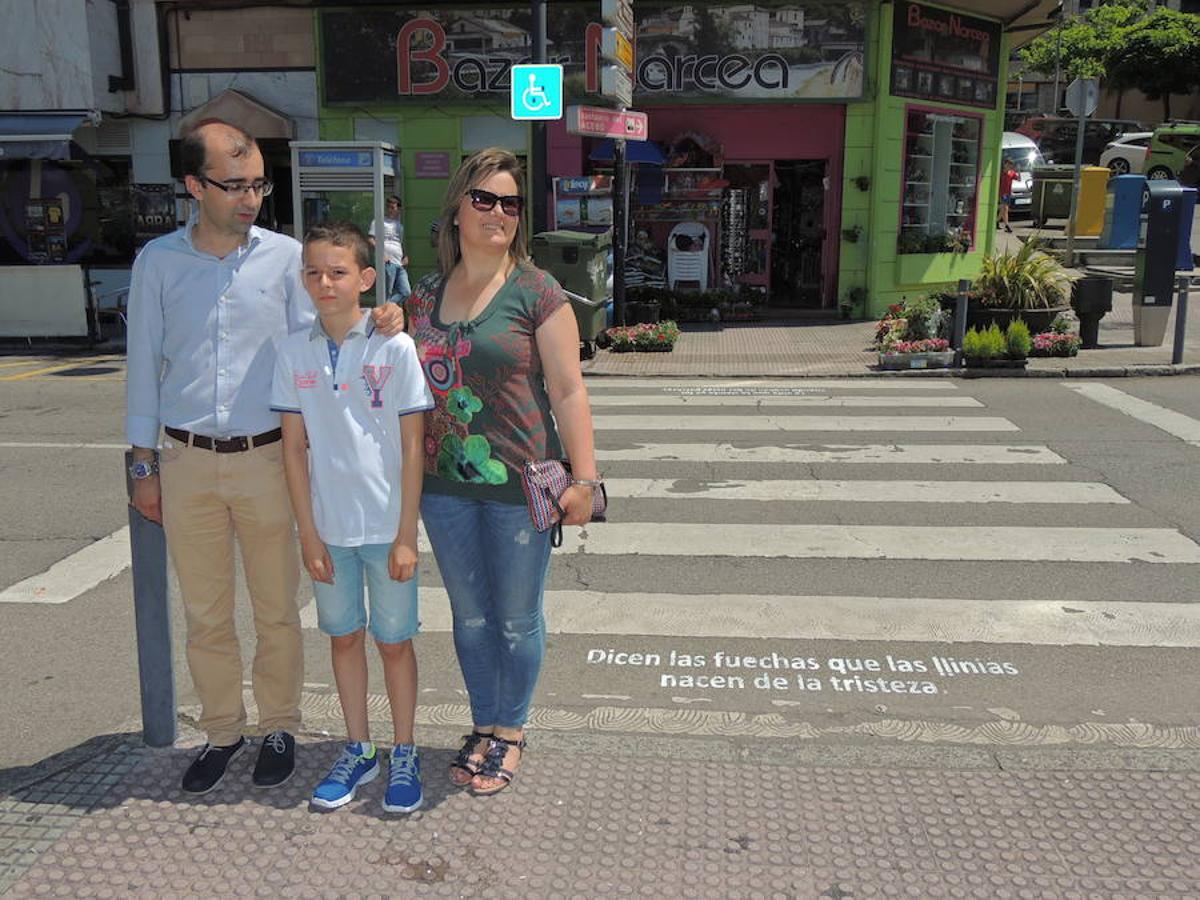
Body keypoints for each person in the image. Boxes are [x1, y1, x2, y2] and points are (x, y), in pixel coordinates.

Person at [125, 119, 404, 796]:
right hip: (186, 459)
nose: (249, 197)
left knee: (277, 605)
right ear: (194, 185)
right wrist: (141, 463)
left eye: (257, 183)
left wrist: (384, 317)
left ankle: (279, 724)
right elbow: (141, 363)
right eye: (233, 184)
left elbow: (324, 329)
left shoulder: (284, 258)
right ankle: (223, 730)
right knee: (207, 611)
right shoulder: (158, 262)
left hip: (268, 459)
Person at [405, 147, 599, 796]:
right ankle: (483, 722)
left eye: (510, 203)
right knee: (470, 619)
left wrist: (586, 481)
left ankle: (510, 731)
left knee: (516, 618)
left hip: (523, 486)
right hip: (444, 490)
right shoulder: (423, 297)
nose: (497, 212)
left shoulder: (537, 291)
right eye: (484, 199)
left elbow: (569, 392)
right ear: (457, 207)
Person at [271, 222, 432, 812]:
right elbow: (293, 447)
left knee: (394, 644)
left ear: (366, 278)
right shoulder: (293, 351)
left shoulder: (394, 345)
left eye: (338, 272)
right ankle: (359, 748)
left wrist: (406, 535)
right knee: (344, 639)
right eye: (313, 271)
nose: (324, 282)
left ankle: (405, 750)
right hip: (328, 531)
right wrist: (307, 533)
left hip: (388, 530)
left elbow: (413, 444)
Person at [370, 195, 411, 300]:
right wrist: (382, 254)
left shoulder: (399, 226)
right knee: (387, 292)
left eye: (393, 207)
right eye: (388, 207)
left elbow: (399, 243)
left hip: (399, 263)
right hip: (387, 262)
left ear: (399, 209)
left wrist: (405, 255)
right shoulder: (379, 222)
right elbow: (371, 239)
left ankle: (387, 306)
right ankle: (383, 312)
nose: (390, 210)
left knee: (406, 291)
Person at [997, 157, 1018, 234]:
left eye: (1010, 165)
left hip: (1008, 193)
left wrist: (1017, 171)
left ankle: (996, 221)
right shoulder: (1002, 172)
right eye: (1008, 164)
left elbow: (1018, 179)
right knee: (1005, 208)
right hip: (1002, 193)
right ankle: (1007, 225)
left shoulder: (1012, 173)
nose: (1009, 166)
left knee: (1003, 209)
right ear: (1005, 164)